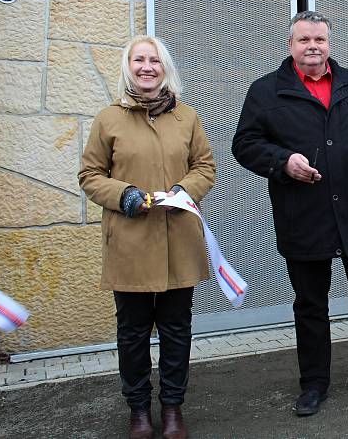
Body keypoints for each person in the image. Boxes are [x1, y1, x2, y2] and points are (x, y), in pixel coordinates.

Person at [232, 11, 348, 417]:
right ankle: (314, 384)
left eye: (319, 39)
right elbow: (244, 144)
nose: (313, 46)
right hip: (304, 216)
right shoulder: (266, 91)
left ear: (329, 44)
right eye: (304, 40)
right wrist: (283, 161)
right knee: (311, 305)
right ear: (290, 46)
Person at [79, 36, 216, 439]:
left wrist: (184, 190)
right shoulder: (109, 119)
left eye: (153, 60)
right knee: (133, 332)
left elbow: (205, 166)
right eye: (138, 60)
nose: (146, 67)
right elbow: (90, 176)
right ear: (128, 67)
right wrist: (124, 195)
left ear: (164, 68)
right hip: (130, 242)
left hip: (179, 241)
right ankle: (138, 410)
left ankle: (172, 408)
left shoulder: (187, 117)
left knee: (176, 330)